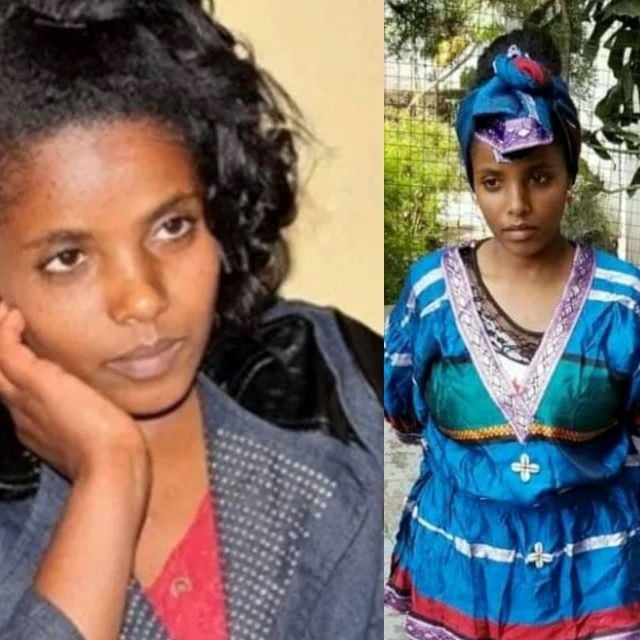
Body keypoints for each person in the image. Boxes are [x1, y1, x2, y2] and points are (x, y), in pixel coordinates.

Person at [0, 1, 383, 639]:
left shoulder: (337, 382)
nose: (142, 298)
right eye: (68, 259)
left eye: (171, 227)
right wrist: (108, 477)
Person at [384, 28, 640, 640]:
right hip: (460, 565)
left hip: (592, 571)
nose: (517, 205)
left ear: (569, 172)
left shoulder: (623, 300)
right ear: (472, 181)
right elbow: (403, 409)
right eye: (493, 182)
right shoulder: (430, 294)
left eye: (540, 177)